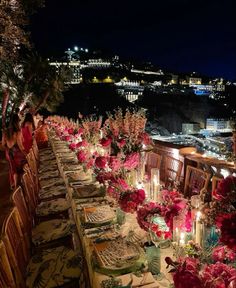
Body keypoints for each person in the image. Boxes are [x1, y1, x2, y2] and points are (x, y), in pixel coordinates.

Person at [2, 116, 27, 188]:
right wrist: (25, 153)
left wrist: (8, 148)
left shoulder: (5, 132)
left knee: (13, 169)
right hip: (17, 153)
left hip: (9, 153)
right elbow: (20, 145)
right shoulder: (18, 132)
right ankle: (24, 185)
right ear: (16, 123)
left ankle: (16, 187)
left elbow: (3, 144)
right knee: (24, 167)